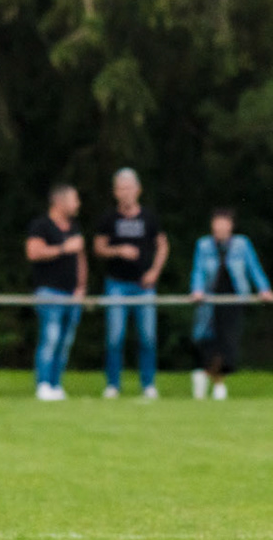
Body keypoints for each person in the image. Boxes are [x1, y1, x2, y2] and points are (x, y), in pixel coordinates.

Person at [93, 168, 168, 400]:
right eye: (121, 188)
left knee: (147, 337)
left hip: (144, 286)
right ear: (116, 192)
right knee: (115, 337)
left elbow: (163, 246)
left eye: (129, 188)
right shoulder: (108, 219)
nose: (126, 193)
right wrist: (118, 250)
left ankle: (148, 384)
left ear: (138, 190)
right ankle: (113, 384)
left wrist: (154, 271)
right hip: (116, 285)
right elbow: (98, 248)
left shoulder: (149, 217)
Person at [188, 207, 273, 400]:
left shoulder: (242, 245)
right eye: (216, 224)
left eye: (224, 224)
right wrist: (197, 290)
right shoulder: (203, 246)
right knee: (205, 341)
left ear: (231, 226)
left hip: (233, 300)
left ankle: (219, 384)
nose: (219, 228)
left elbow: (253, 267)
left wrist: (263, 288)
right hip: (209, 301)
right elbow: (198, 271)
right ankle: (202, 379)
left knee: (228, 343)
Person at [25, 183, 87, 401]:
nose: (78, 204)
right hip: (49, 292)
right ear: (60, 202)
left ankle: (56, 385)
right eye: (74, 199)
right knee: (49, 339)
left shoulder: (74, 227)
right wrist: (63, 248)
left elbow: (80, 258)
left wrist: (81, 287)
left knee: (65, 342)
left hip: (72, 295)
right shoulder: (41, 226)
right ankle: (43, 384)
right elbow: (33, 252)